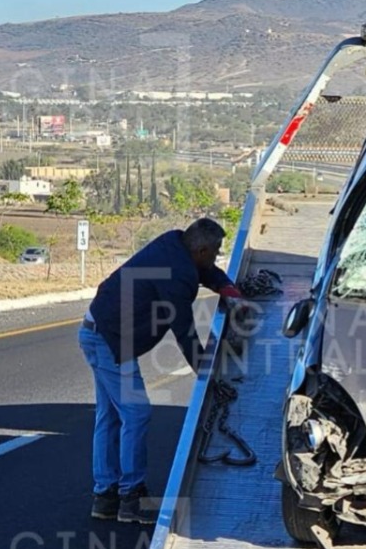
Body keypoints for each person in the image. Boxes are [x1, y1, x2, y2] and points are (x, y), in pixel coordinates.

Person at [78, 218, 243, 524]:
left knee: (111, 415)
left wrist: (227, 288)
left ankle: (105, 497)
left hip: (99, 330)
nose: (216, 257)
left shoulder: (176, 244)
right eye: (216, 251)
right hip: (109, 339)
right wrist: (209, 377)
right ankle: (131, 497)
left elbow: (204, 271)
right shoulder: (176, 273)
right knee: (136, 412)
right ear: (202, 248)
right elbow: (185, 334)